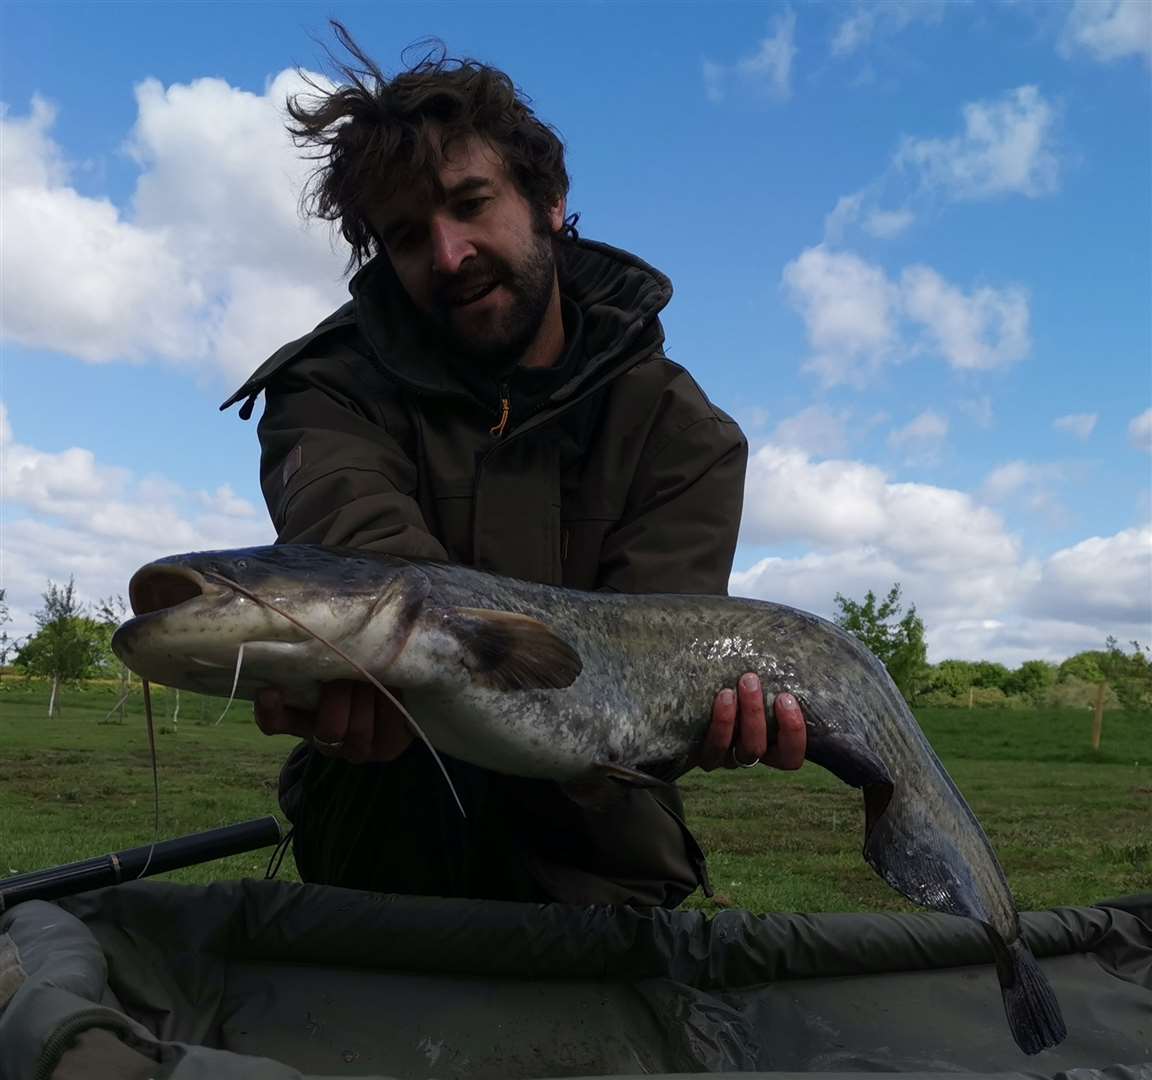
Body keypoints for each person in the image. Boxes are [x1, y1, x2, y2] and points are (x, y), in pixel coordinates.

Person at [221, 23, 806, 908]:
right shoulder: (326, 388)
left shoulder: (681, 429)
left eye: (469, 202)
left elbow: (650, 683)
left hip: (603, 877)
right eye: (408, 236)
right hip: (376, 866)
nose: (448, 254)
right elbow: (369, 564)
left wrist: (703, 722)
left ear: (549, 198)